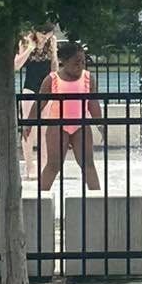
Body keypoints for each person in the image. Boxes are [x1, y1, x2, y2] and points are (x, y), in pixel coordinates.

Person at [36, 39, 104, 193]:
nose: (80, 66)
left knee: (88, 164)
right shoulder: (52, 79)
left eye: (82, 62)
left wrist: (100, 125)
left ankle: (97, 200)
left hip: (81, 124)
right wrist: (27, 124)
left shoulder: (88, 78)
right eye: (76, 63)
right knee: (53, 165)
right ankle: (40, 199)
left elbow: (93, 104)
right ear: (64, 62)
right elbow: (40, 103)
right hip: (57, 125)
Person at [16, 28, 57, 181]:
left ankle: (44, 165)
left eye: (49, 33)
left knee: (45, 130)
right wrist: (30, 49)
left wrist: (54, 52)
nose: (46, 36)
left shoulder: (51, 43)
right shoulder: (25, 42)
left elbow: (54, 68)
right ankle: (29, 166)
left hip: (46, 89)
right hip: (30, 88)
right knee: (29, 129)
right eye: (44, 33)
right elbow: (16, 65)